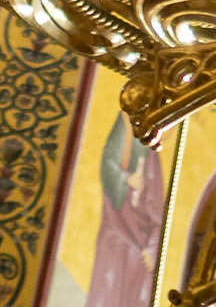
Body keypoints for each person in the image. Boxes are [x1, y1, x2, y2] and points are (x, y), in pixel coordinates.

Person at [86, 113, 164, 304]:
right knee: (107, 286)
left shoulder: (152, 156)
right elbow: (108, 163)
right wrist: (126, 180)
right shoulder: (125, 125)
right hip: (116, 230)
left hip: (140, 243)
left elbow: (156, 211)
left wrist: (152, 247)